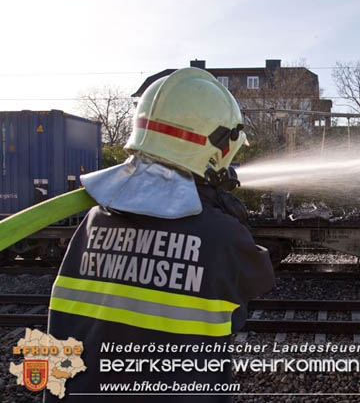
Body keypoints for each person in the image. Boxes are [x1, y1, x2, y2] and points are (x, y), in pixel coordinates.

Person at [45, 67, 275, 402]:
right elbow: (255, 280)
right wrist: (222, 211)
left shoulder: (95, 219)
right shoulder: (221, 234)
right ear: (218, 147)